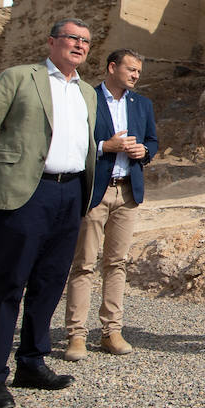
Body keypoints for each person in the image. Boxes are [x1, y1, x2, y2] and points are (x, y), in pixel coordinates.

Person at [0, 19, 97, 408]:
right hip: (28, 192)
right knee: (9, 285)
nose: (79, 45)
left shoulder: (86, 92)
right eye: (72, 38)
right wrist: (7, 172)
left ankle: (32, 363)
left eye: (86, 41)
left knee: (50, 281)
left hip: (71, 192)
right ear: (52, 41)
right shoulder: (20, 77)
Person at [63, 49, 158, 360]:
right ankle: (76, 335)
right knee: (84, 264)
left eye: (138, 72)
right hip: (95, 192)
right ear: (112, 67)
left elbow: (153, 142)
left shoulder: (141, 104)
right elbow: (70, 140)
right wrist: (106, 146)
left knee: (117, 264)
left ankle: (111, 331)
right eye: (131, 70)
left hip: (127, 192)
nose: (135, 76)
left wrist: (143, 151)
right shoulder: (85, 97)